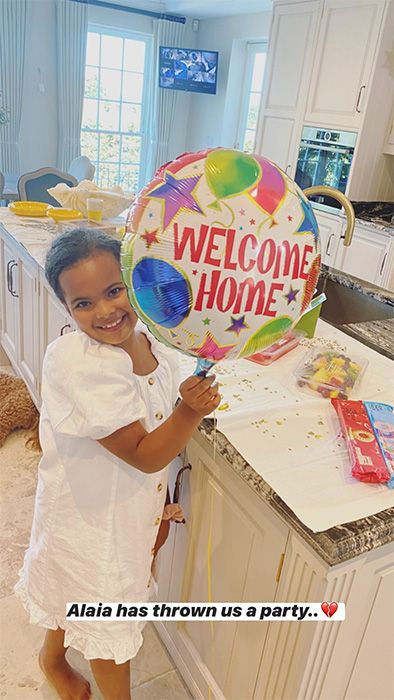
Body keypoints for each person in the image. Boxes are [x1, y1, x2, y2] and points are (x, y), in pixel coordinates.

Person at [14, 228, 220, 700]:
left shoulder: (149, 343)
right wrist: (189, 411)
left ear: (135, 280)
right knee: (106, 622)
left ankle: (50, 658)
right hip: (89, 522)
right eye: (83, 303)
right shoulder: (78, 364)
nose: (104, 311)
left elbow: (154, 419)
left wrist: (160, 507)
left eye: (113, 290)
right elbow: (144, 455)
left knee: (82, 599)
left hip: (128, 515)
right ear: (66, 309)